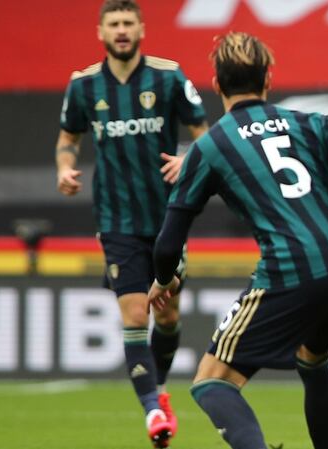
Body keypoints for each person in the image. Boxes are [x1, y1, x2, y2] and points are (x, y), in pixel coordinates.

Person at [146, 31, 328, 449]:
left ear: (217, 84)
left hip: (292, 267)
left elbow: (168, 243)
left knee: (212, 382)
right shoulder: (308, 122)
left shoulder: (211, 146)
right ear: (268, 79)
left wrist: (164, 278)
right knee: (312, 360)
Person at [54, 1, 208, 447]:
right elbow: (68, 138)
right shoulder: (84, 85)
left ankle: (158, 391)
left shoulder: (168, 77)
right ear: (101, 32)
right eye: (113, 24)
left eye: (127, 23)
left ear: (141, 29)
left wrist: (188, 159)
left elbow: (205, 135)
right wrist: (64, 168)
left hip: (168, 217)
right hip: (116, 218)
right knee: (136, 312)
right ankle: (153, 410)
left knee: (168, 313)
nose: (121, 30)